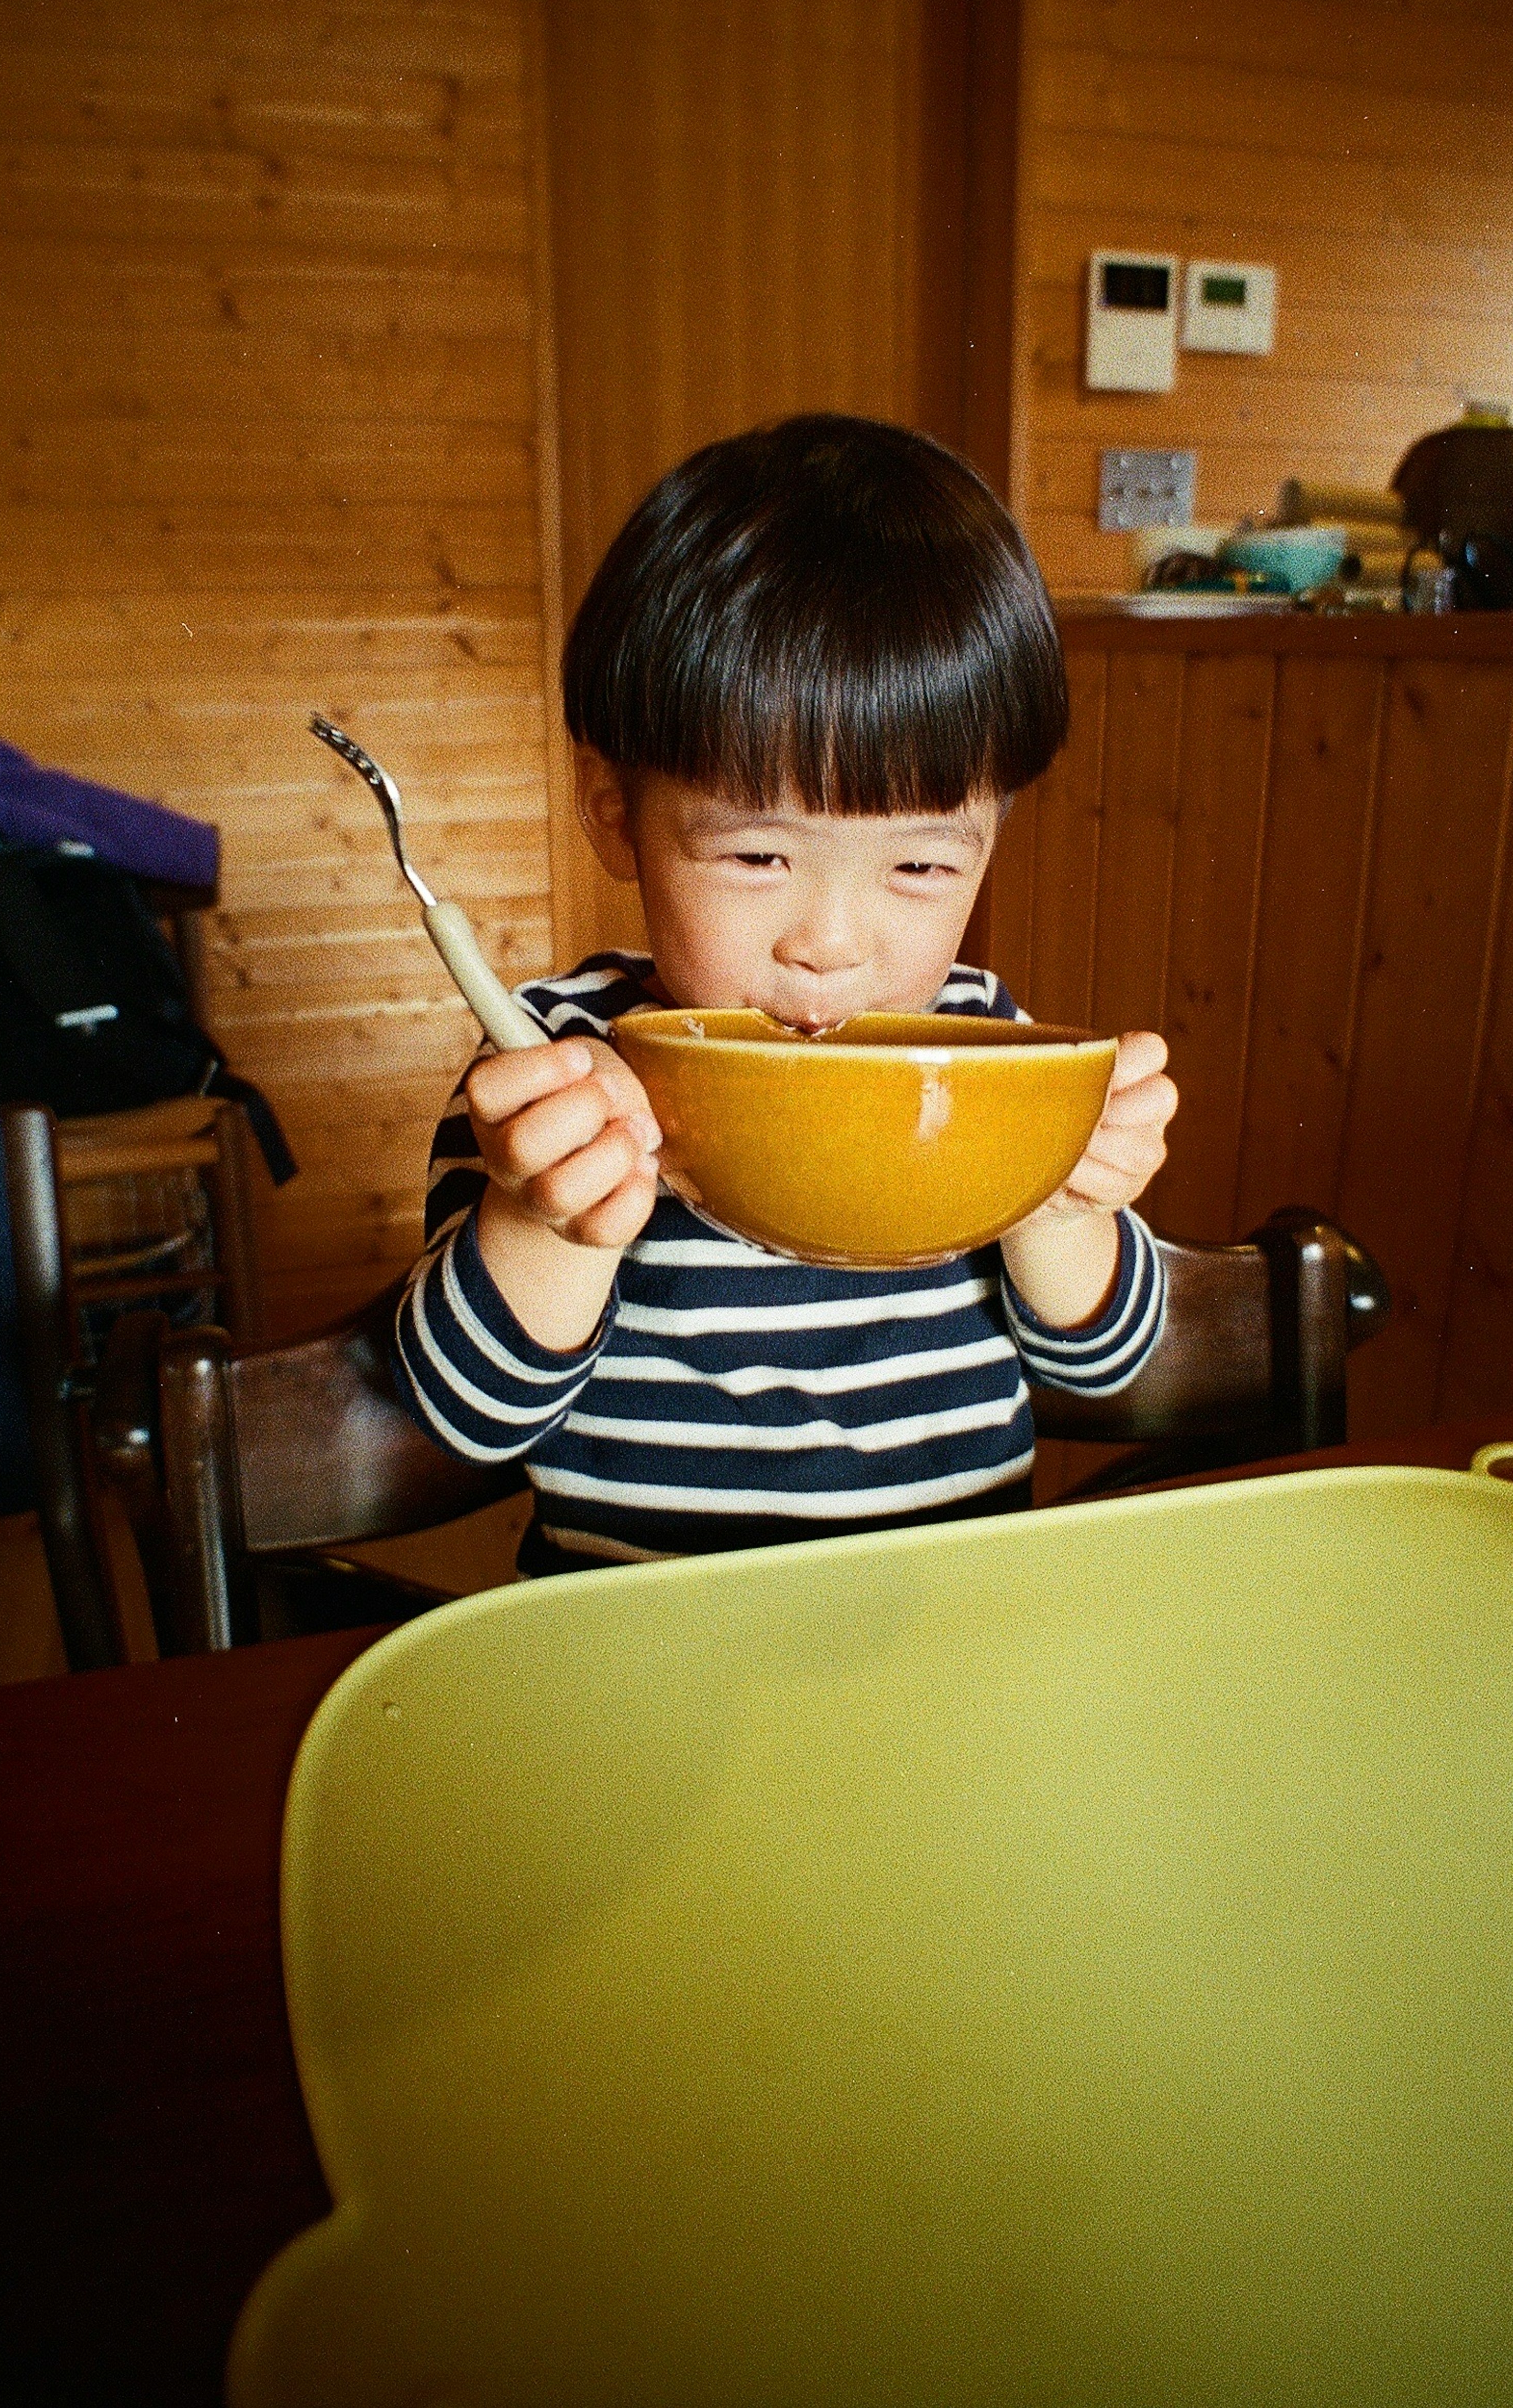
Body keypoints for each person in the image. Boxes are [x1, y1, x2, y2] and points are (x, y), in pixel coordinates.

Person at [390, 413, 1177, 1562]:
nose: (832, 944)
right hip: (642, 1660)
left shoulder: (988, 1049)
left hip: (945, 1649)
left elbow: (1106, 1367)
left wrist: (1066, 1199)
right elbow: (463, 1418)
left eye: (919, 865)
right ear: (616, 811)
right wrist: (550, 1222)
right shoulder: (552, 1063)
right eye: (759, 857)